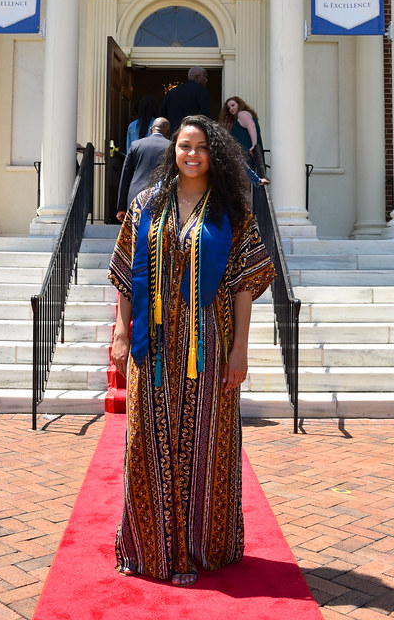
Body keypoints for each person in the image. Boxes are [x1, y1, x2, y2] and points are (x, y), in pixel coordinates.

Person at [108, 115, 276, 586]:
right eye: (184, 146)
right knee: (147, 441)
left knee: (205, 444)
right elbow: (125, 272)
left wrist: (240, 350)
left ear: (214, 153)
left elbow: (245, 284)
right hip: (154, 347)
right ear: (173, 151)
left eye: (201, 146)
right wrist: (122, 330)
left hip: (209, 343)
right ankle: (148, 547)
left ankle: (203, 546)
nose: (192, 154)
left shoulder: (231, 211)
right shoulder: (146, 204)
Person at [116, 117, 170, 223]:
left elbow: (126, 176)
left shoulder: (135, 145)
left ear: (151, 130)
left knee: (135, 234)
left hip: (135, 197)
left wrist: (121, 207)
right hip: (161, 197)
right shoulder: (171, 147)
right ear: (168, 132)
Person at [160, 65, 212, 131]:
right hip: (192, 132)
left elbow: (162, 113)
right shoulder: (202, 92)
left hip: (173, 133)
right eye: (205, 78)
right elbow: (206, 117)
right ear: (197, 77)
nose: (206, 81)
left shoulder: (172, 92)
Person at [219, 96, 264, 169]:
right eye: (229, 108)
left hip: (246, 155)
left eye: (233, 105)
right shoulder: (241, 117)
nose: (231, 109)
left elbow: (251, 126)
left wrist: (254, 146)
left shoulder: (242, 114)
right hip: (245, 155)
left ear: (239, 104)